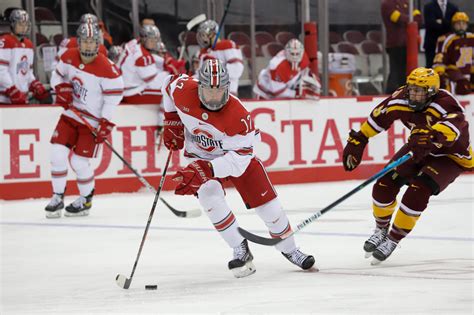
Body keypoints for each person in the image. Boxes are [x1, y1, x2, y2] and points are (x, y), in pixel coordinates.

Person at [161, 59, 315, 278]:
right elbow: (166, 84)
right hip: (203, 154)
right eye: (208, 91)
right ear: (198, 87)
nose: (214, 97)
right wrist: (172, 120)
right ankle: (239, 247)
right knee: (208, 196)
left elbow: (237, 162)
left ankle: (290, 250)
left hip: (236, 158)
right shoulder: (182, 89)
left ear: (227, 87)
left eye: (219, 91)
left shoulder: (239, 116)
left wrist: (205, 168)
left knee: (269, 208)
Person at [341, 67, 472, 264]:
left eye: (419, 91)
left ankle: (393, 239)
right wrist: (359, 139)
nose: (413, 95)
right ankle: (381, 229)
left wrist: (430, 136)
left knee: (419, 190)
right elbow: (379, 116)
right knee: (384, 183)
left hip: (450, 156)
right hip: (418, 148)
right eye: (412, 89)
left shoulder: (446, 104)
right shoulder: (401, 98)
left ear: (431, 93)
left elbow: (453, 129)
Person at [45, 22, 124, 218]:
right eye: (85, 42)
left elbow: (112, 99)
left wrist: (105, 122)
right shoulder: (68, 56)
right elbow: (57, 76)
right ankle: (57, 197)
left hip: (91, 122)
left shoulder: (108, 68)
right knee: (57, 155)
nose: (88, 46)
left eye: (92, 42)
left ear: (98, 43)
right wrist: (61, 89)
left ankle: (85, 199)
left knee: (79, 162)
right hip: (71, 115)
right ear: (78, 42)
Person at [0, 9, 48, 104]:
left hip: (22, 98)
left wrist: (34, 84)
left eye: (25, 24)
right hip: (4, 99)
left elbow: (27, 71)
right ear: (13, 24)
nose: (23, 27)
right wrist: (12, 90)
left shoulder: (29, 44)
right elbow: (1, 70)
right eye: (20, 24)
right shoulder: (4, 42)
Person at [253, 39, 320, 99]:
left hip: (284, 86)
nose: (295, 57)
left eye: (297, 54)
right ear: (287, 52)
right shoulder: (276, 65)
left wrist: (310, 81)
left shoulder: (304, 58)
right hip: (265, 92)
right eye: (292, 53)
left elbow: (304, 73)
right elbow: (277, 92)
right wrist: (296, 93)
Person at [381, 0, 422, 94]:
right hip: (395, 43)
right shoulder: (387, 4)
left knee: (405, 71)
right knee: (396, 70)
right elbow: (399, 19)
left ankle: (404, 92)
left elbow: (419, 19)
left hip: (409, 43)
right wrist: (410, 18)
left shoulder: (408, 3)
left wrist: (410, 19)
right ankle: (391, 94)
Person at [196, 19, 243, 96]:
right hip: (207, 95)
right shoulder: (203, 52)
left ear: (211, 34)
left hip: (227, 93)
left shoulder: (227, 45)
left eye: (203, 35)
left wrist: (215, 76)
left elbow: (237, 69)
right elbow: (199, 74)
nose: (202, 38)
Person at [432, 12, 474, 95]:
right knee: (463, 85)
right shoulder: (447, 39)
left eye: (463, 23)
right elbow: (440, 57)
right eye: (458, 23)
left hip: (469, 69)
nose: (461, 26)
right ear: (453, 25)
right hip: (453, 70)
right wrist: (440, 72)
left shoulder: (472, 37)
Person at [423, 0, 458, 68]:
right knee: (431, 68)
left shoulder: (453, 8)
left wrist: (441, 21)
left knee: (448, 68)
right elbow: (430, 24)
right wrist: (447, 23)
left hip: (448, 44)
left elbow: (454, 26)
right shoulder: (428, 7)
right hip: (432, 45)